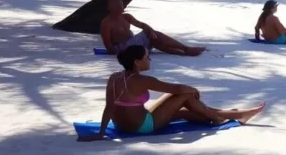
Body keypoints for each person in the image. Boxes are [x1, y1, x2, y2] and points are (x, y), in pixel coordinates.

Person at [77, 45, 266, 140]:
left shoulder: (115, 77)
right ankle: (219, 117)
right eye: (147, 57)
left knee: (183, 112)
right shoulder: (143, 80)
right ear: (137, 62)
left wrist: (102, 132)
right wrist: (194, 90)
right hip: (142, 126)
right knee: (185, 96)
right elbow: (177, 90)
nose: (150, 59)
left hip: (122, 125)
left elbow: (109, 106)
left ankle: (231, 114)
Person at [100, 0, 205, 56]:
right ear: (110, 8)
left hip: (133, 45)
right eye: (118, 6)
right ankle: (186, 49)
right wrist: (123, 56)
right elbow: (108, 46)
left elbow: (142, 25)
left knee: (153, 38)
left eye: (122, 5)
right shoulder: (106, 23)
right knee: (149, 35)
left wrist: (149, 29)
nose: (122, 7)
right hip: (123, 49)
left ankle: (182, 52)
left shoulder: (126, 17)